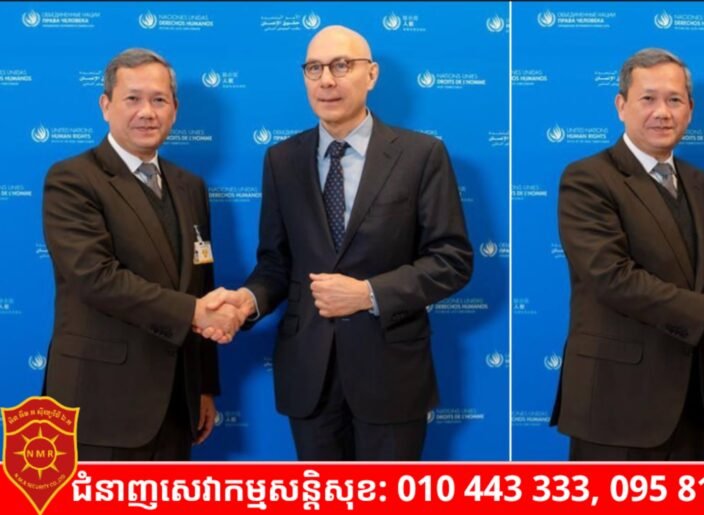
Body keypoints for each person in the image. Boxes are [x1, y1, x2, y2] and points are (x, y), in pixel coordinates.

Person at [205, 25, 473, 460]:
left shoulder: (421, 155)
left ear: (372, 74)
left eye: (341, 66)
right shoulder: (281, 159)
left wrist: (368, 294)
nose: (326, 80)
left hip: (391, 374)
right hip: (309, 375)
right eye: (314, 68)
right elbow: (276, 264)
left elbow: (452, 260)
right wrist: (247, 302)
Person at [550, 48, 704, 461]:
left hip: (692, 404)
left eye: (674, 100)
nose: (662, 112)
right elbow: (612, 278)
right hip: (614, 404)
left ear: (690, 110)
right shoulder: (588, 178)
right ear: (621, 105)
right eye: (648, 99)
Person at [41, 48, 239, 460]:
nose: (146, 112)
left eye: (159, 100)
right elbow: (96, 278)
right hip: (100, 404)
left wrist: (203, 385)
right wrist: (195, 312)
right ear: (106, 105)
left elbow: (201, 285)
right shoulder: (73, 179)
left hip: (177, 406)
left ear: (175, 110)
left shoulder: (190, 187)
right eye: (132, 98)